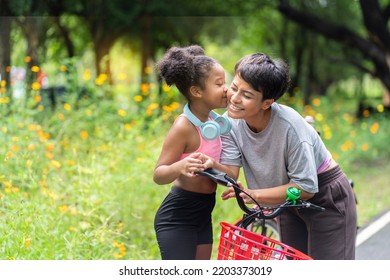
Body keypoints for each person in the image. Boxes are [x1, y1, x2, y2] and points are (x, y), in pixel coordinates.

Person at [212, 52, 357, 260]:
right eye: (234, 88)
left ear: (266, 102)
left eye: (247, 95)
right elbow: (230, 173)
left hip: (324, 197)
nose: (234, 98)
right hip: (287, 200)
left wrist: (256, 195)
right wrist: (205, 162)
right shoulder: (229, 123)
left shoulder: (290, 127)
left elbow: (306, 188)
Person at [153, 45, 230, 260]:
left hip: (203, 215)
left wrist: (214, 165)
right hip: (177, 217)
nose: (226, 88)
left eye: (225, 82)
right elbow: (159, 174)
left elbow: (228, 176)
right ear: (197, 92)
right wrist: (180, 167)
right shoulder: (184, 127)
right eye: (219, 84)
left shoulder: (217, 123)